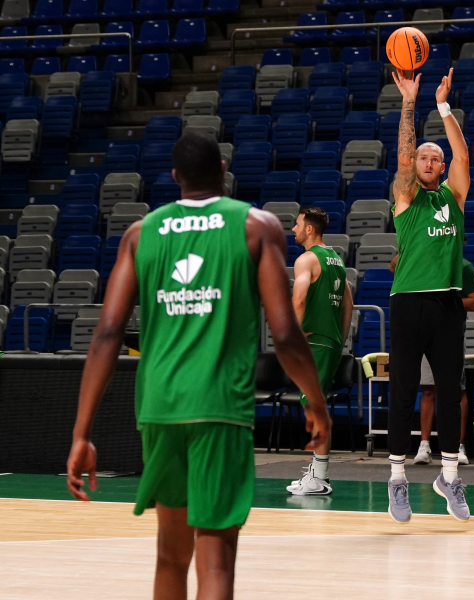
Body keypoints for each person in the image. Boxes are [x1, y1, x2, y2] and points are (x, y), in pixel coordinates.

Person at [66, 132, 331, 600]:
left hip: (160, 406)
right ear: (224, 169)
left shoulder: (140, 233)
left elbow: (106, 334)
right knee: (216, 560)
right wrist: (316, 402)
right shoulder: (255, 226)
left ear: (175, 178)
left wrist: (81, 433)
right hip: (219, 407)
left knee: (170, 554)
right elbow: (286, 333)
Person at [387, 68, 471, 524]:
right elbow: (403, 155)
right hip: (408, 302)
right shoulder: (405, 196)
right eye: (423, 156)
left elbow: (461, 151)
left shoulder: (455, 196)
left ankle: (449, 477)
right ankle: (397, 479)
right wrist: (410, 101)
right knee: (402, 391)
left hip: (447, 303)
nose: (428, 160)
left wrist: (442, 106)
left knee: (450, 391)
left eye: (434, 157)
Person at [286, 207, 354, 496]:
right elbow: (348, 303)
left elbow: (299, 298)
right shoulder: (335, 260)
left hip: (313, 344)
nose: (293, 229)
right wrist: (339, 338)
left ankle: (320, 477)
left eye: (297, 224)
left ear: (310, 229)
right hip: (330, 342)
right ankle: (317, 471)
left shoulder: (306, 260)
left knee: (314, 408)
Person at [388, 256, 474, 466]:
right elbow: (392, 265)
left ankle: (458, 445)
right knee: (427, 389)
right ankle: (424, 444)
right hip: (421, 329)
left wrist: (445, 303)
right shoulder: (421, 262)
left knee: (455, 391)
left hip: (448, 333)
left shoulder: (464, 267)